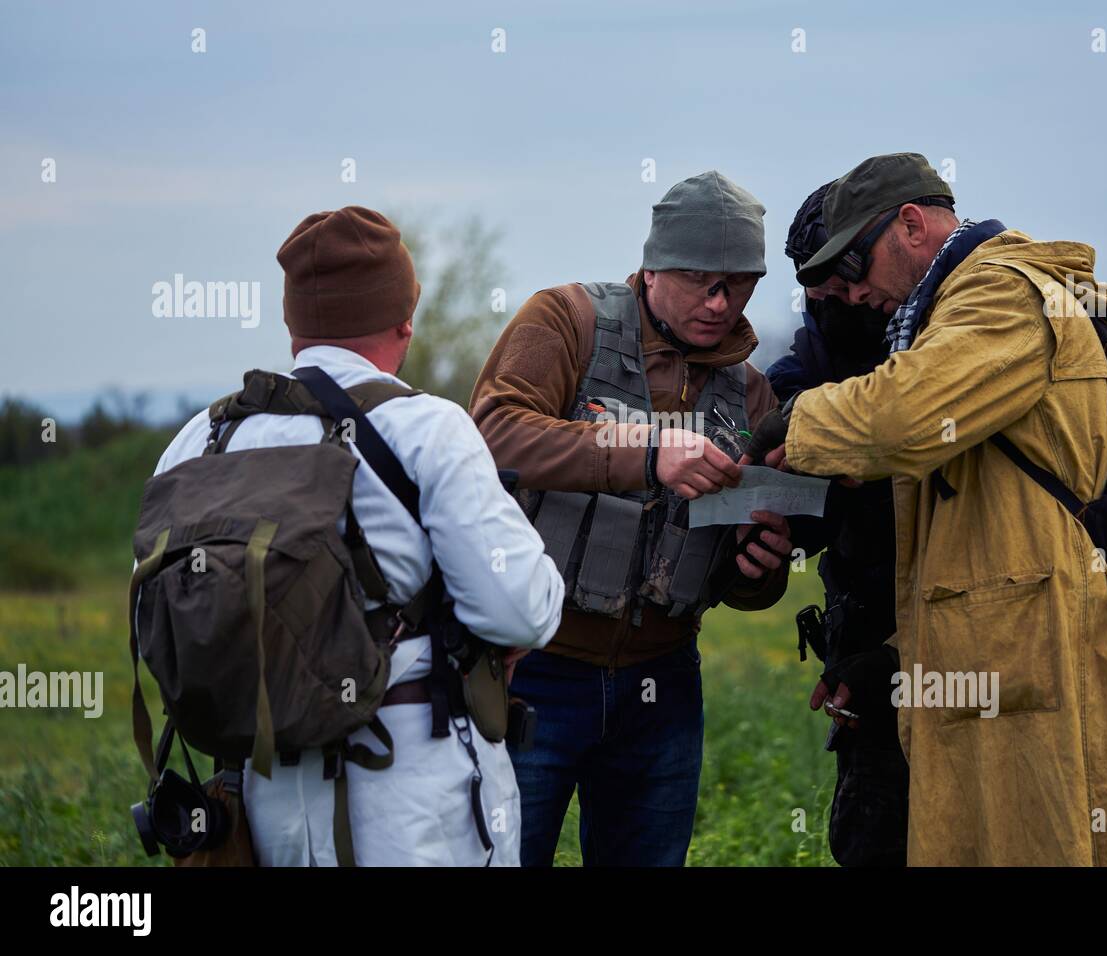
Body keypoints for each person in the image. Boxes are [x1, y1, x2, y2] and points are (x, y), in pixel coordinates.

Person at [746, 153, 1107, 866]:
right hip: (1004, 648)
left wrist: (796, 423)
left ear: (912, 224)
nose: (852, 294)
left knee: (1056, 835)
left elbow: (903, 416)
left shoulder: (997, 292)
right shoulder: (949, 306)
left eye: (856, 267)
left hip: (1033, 649)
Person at [146, 206, 564, 865]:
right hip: (413, 800)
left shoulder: (201, 438)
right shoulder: (428, 428)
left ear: (293, 325)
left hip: (256, 806)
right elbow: (522, 609)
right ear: (405, 318)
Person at [470, 171, 794, 866]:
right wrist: (646, 451)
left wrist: (757, 566)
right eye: (700, 280)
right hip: (533, 668)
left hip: (664, 684)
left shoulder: (752, 394)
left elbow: (745, 585)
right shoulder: (565, 321)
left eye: (739, 285)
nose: (719, 302)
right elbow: (494, 434)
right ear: (651, 269)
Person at [766, 182, 907, 867]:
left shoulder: (953, 338)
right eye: (818, 295)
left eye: (845, 284)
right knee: (875, 841)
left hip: (978, 645)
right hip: (869, 658)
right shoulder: (820, 353)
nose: (840, 305)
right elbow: (795, 499)